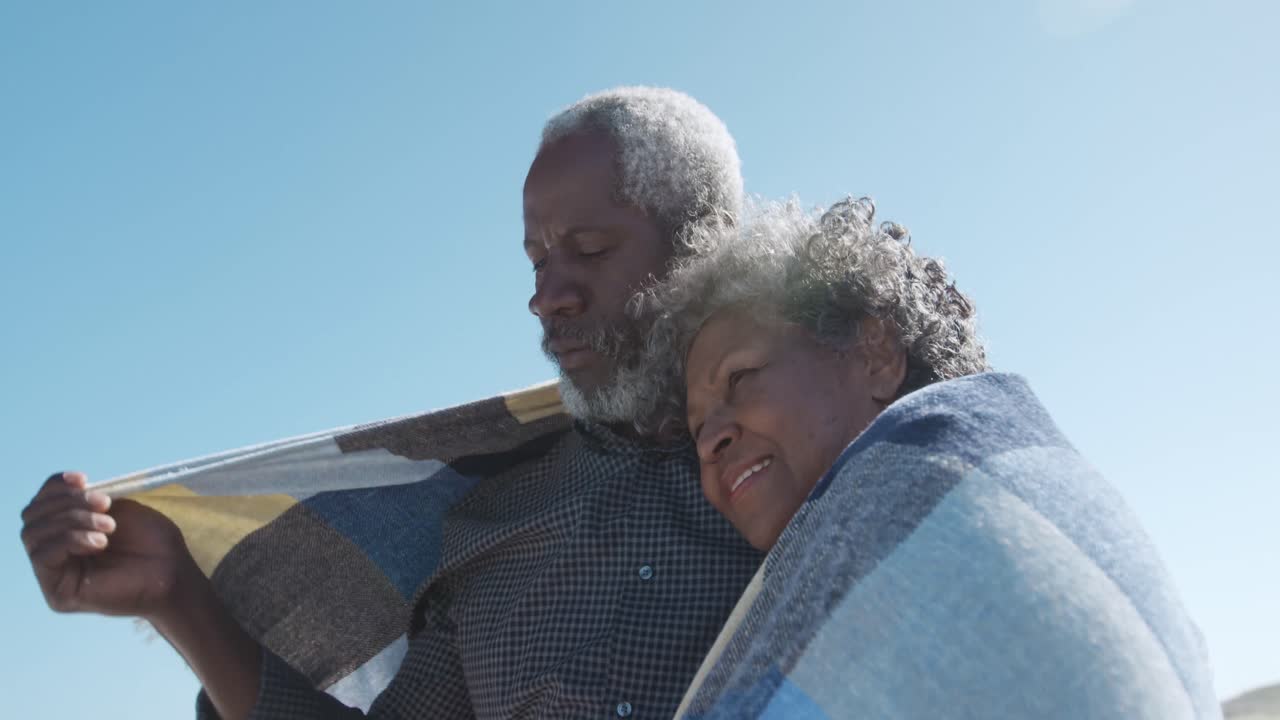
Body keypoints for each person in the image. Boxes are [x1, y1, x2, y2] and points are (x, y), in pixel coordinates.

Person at [19, 87, 764, 720]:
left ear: (707, 243)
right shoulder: (491, 525)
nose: (546, 297)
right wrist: (177, 598)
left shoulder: (830, 444)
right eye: (537, 259)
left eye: (591, 249)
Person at [644, 197, 1222, 718]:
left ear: (875, 354)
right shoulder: (855, 545)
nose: (709, 438)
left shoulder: (944, 501)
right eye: (697, 427)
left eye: (741, 378)